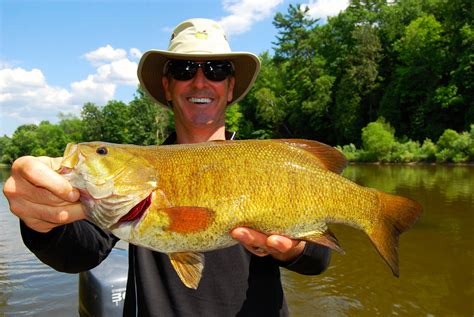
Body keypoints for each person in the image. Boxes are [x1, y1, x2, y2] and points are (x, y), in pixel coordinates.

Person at [3, 18, 330, 316]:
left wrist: (292, 250)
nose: (200, 81)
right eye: (184, 69)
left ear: (230, 86)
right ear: (167, 85)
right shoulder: (136, 176)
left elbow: (318, 259)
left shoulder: (268, 163)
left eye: (215, 71)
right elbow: (78, 253)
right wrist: (42, 220)